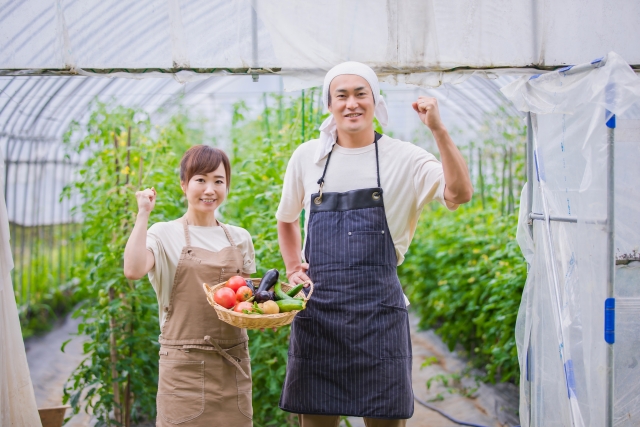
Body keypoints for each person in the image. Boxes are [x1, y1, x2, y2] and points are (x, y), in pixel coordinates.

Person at [276, 62, 473, 427]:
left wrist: (438, 130)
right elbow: (286, 218)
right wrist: (292, 267)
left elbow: (460, 193)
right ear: (330, 104)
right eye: (342, 95)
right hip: (319, 313)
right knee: (317, 420)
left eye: (360, 93)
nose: (352, 103)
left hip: (378, 317)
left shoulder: (405, 157)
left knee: (385, 419)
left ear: (374, 100)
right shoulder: (308, 157)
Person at [123, 145, 255, 427]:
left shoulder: (240, 238)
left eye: (219, 181)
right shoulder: (163, 232)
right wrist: (143, 214)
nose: (210, 189)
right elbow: (133, 270)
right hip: (183, 367)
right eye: (200, 180)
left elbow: (248, 302)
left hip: (233, 364)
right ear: (184, 184)